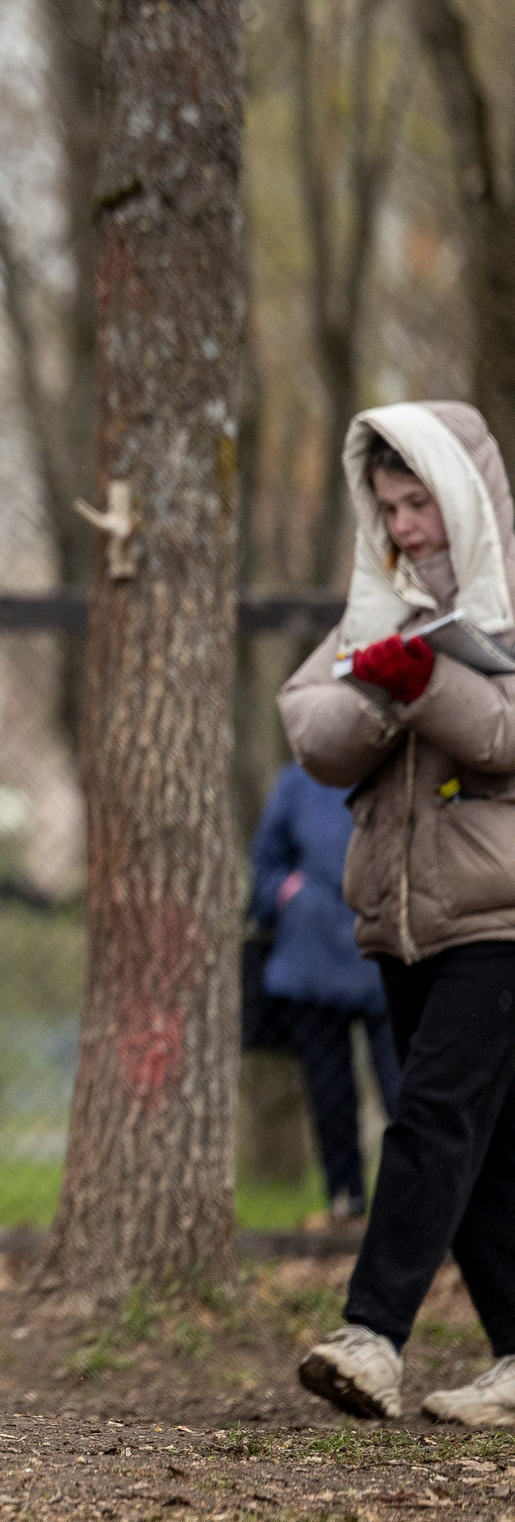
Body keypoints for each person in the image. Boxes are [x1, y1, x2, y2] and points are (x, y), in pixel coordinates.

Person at [278, 401, 515, 1427]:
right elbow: (309, 731)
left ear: (460, 496)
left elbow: (505, 736)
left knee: (427, 1119)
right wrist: (381, 689)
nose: (404, 526)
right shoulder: (378, 601)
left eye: (419, 502)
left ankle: (371, 1335)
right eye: (387, 506)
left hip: (498, 914)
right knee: (483, 1149)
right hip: (400, 916)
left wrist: (428, 686)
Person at [246, 763, 401, 1220]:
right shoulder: (297, 782)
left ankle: (420, 1209)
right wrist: (288, 894)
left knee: (406, 1094)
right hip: (309, 963)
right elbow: (266, 865)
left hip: (387, 960)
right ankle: (346, 1204)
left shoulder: (399, 772)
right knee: (330, 1096)